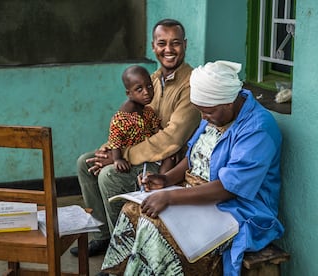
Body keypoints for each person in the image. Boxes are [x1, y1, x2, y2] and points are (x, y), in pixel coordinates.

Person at [100, 60, 285, 276]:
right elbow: (194, 155)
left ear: (228, 102)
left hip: (236, 208)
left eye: (208, 112)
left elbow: (229, 188)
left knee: (158, 228)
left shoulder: (258, 130)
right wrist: (167, 180)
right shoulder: (216, 112)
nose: (204, 118)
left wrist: (169, 198)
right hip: (196, 193)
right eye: (201, 112)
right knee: (132, 211)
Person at [70, 18, 201, 258]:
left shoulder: (192, 84)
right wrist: (107, 150)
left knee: (110, 175)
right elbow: (126, 120)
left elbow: (172, 138)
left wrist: (120, 156)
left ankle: (125, 253)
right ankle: (104, 236)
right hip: (143, 149)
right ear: (153, 46)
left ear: (185, 45)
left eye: (175, 43)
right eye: (162, 43)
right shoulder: (151, 79)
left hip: (170, 159)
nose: (168, 49)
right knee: (86, 163)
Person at [108, 65, 174, 174]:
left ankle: (162, 181)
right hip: (133, 156)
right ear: (129, 94)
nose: (146, 92)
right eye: (139, 89)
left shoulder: (148, 111)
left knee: (170, 156)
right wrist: (117, 159)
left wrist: (168, 145)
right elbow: (115, 141)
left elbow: (158, 130)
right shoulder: (122, 118)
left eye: (149, 86)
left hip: (150, 152)